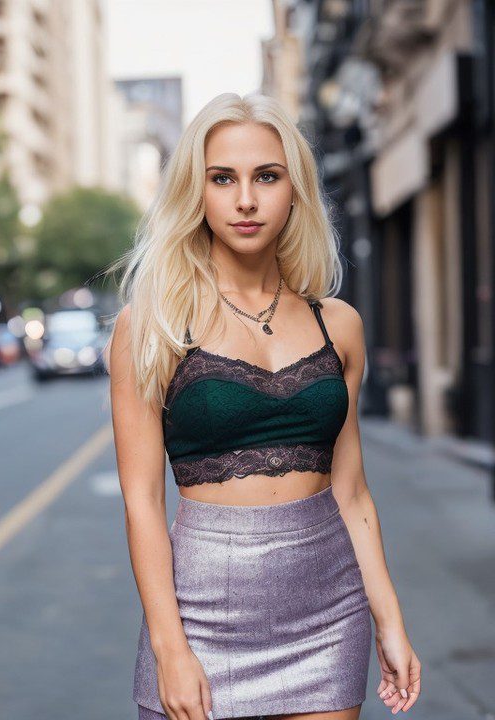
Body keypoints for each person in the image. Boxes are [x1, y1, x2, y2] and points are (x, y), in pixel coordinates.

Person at [104, 92, 421, 720]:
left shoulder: (340, 326)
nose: (245, 200)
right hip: (202, 613)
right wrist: (171, 649)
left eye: (266, 177)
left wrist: (390, 618)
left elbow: (352, 493)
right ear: (197, 193)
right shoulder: (151, 328)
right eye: (223, 179)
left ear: (295, 190)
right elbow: (142, 500)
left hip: (330, 611)